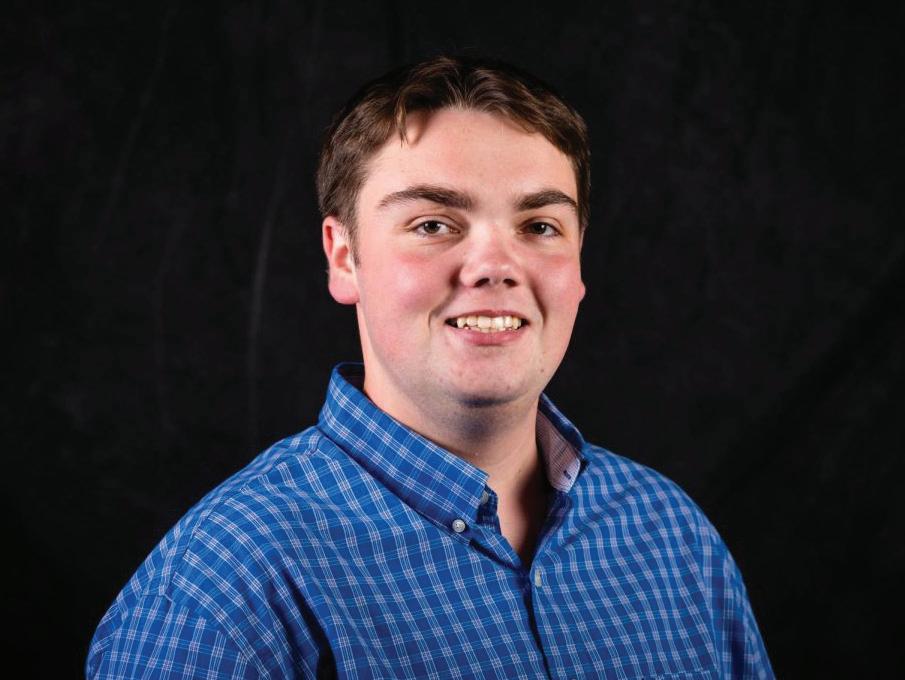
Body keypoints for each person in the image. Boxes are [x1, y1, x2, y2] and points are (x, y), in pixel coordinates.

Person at [86, 55, 774, 679]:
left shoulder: (670, 537)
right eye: (433, 224)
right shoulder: (224, 588)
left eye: (539, 226)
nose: (496, 267)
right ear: (343, 257)